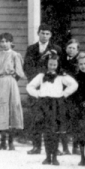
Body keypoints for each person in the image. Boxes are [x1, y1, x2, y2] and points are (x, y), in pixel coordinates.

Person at [26, 54, 78, 166]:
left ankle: (54, 157)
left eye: (55, 64)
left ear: (58, 65)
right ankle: (47, 157)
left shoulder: (61, 76)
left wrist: (64, 94)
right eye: (50, 64)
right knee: (46, 131)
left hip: (56, 104)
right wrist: (37, 94)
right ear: (46, 64)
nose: (52, 67)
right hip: (44, 104)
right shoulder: (41, 76)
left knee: (55, 131)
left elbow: (74, 84)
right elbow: (30, 86)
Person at [23, 24, 63, 154]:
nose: (45, 36)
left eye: (47, 34)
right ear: (38, 33)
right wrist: (38, 79)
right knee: (36, 116)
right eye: (42, 33)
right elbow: (27, 68)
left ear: (51, 35)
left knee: (52, 118)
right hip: (37, 86)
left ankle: (54, 148)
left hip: (51, 87)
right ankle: (36, 146)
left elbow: (60, 68)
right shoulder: (31, 49)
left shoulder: (56, 49)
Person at [0, 32, 25, 151]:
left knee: (11, 110)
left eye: (6, 41)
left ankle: (11, 142)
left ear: (11, 42)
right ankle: (2, 142)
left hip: (10, 82)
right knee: (1, 111)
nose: (3, 44)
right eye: (1, 42)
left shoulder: (15, 55)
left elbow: (19, 73)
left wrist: (12, 81)